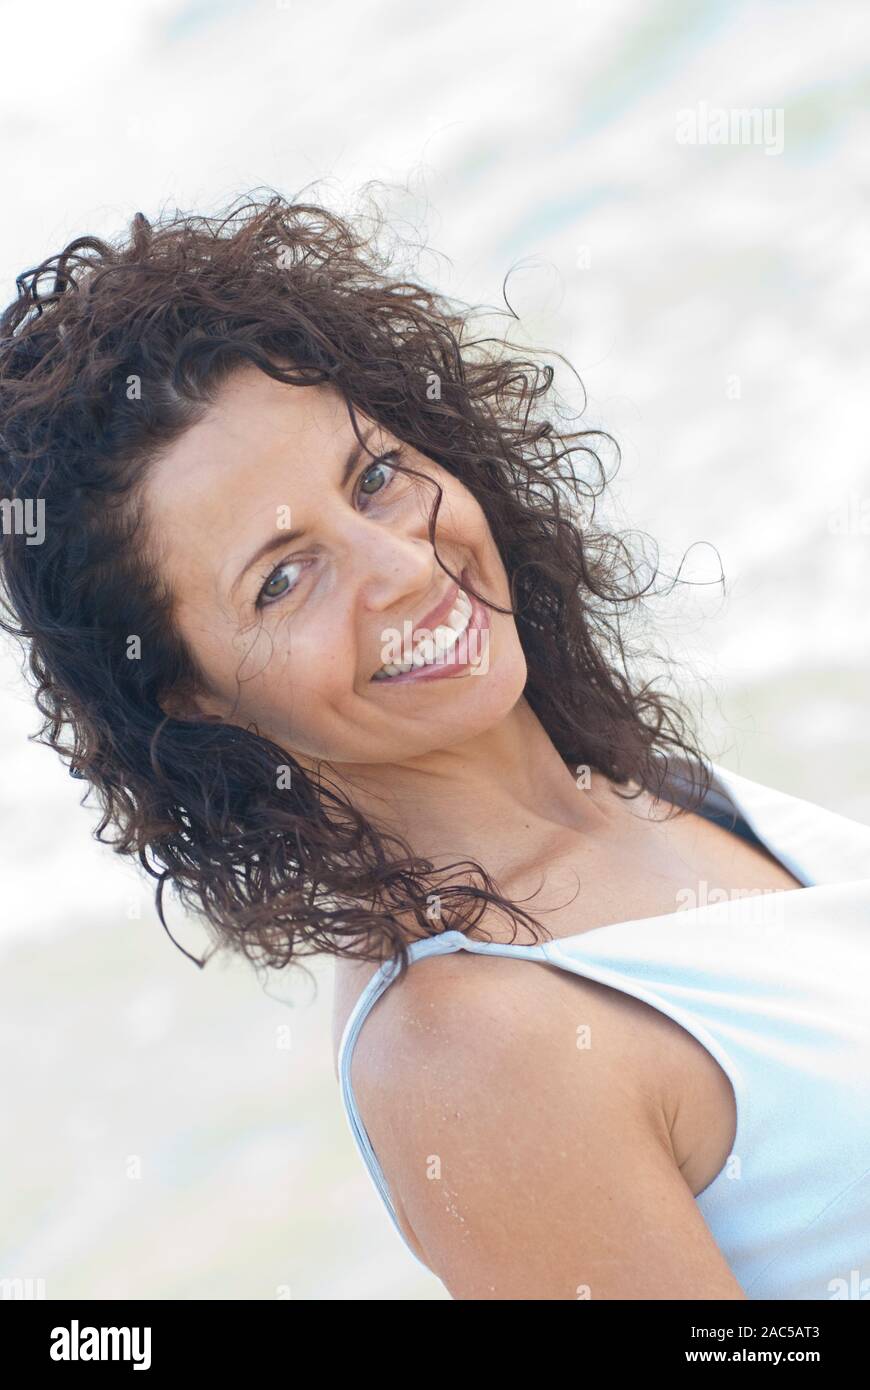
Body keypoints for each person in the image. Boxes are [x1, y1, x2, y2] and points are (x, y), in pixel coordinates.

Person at [1, 191, 867, 1301]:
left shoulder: (631, 783)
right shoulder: (476, 1054)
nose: (402, 564)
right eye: (283, 576)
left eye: (372, 476)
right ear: (196, 699)